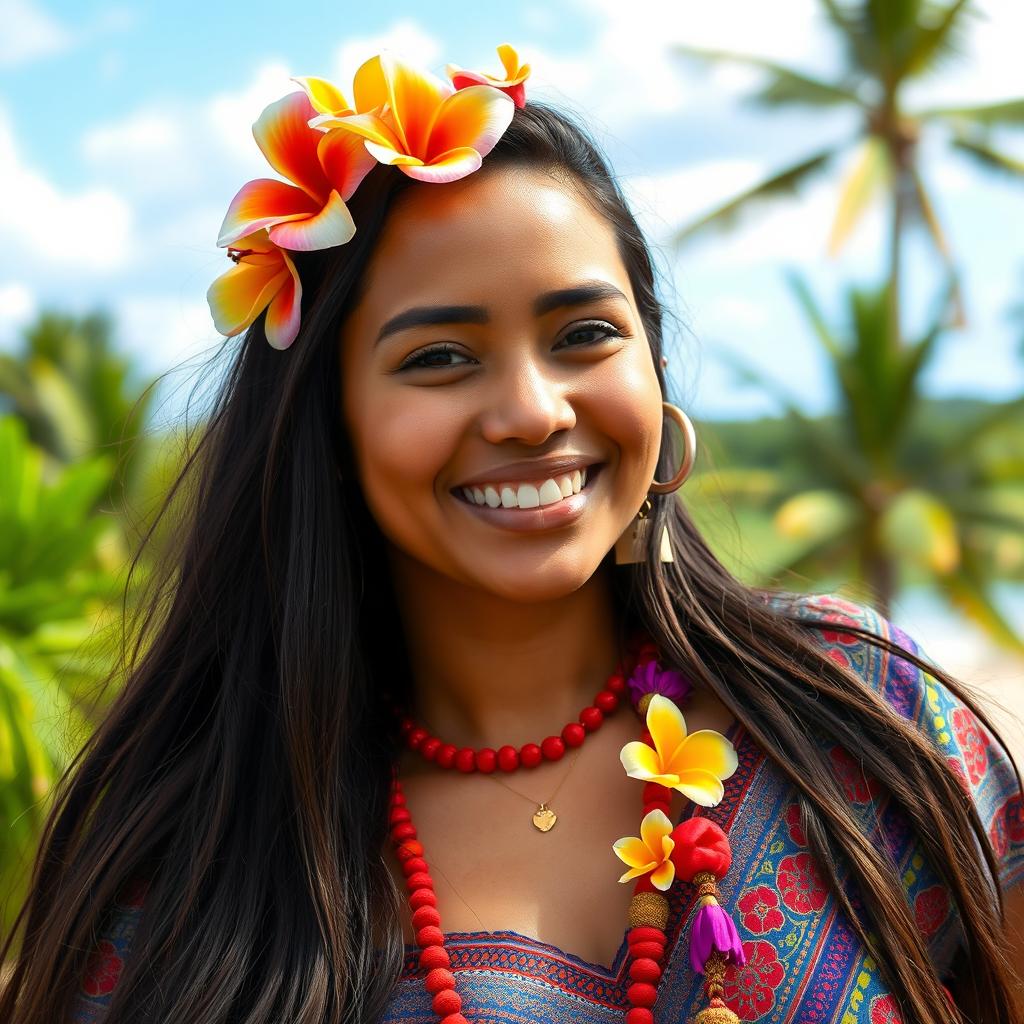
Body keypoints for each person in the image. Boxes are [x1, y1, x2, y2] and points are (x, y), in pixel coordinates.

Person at [1, 44, 1022, 1024]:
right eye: (440, 356)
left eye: (584, 335)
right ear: (330, 423)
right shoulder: (195, 853)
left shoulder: (862, 718)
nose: (532, 411)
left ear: (655, 372)